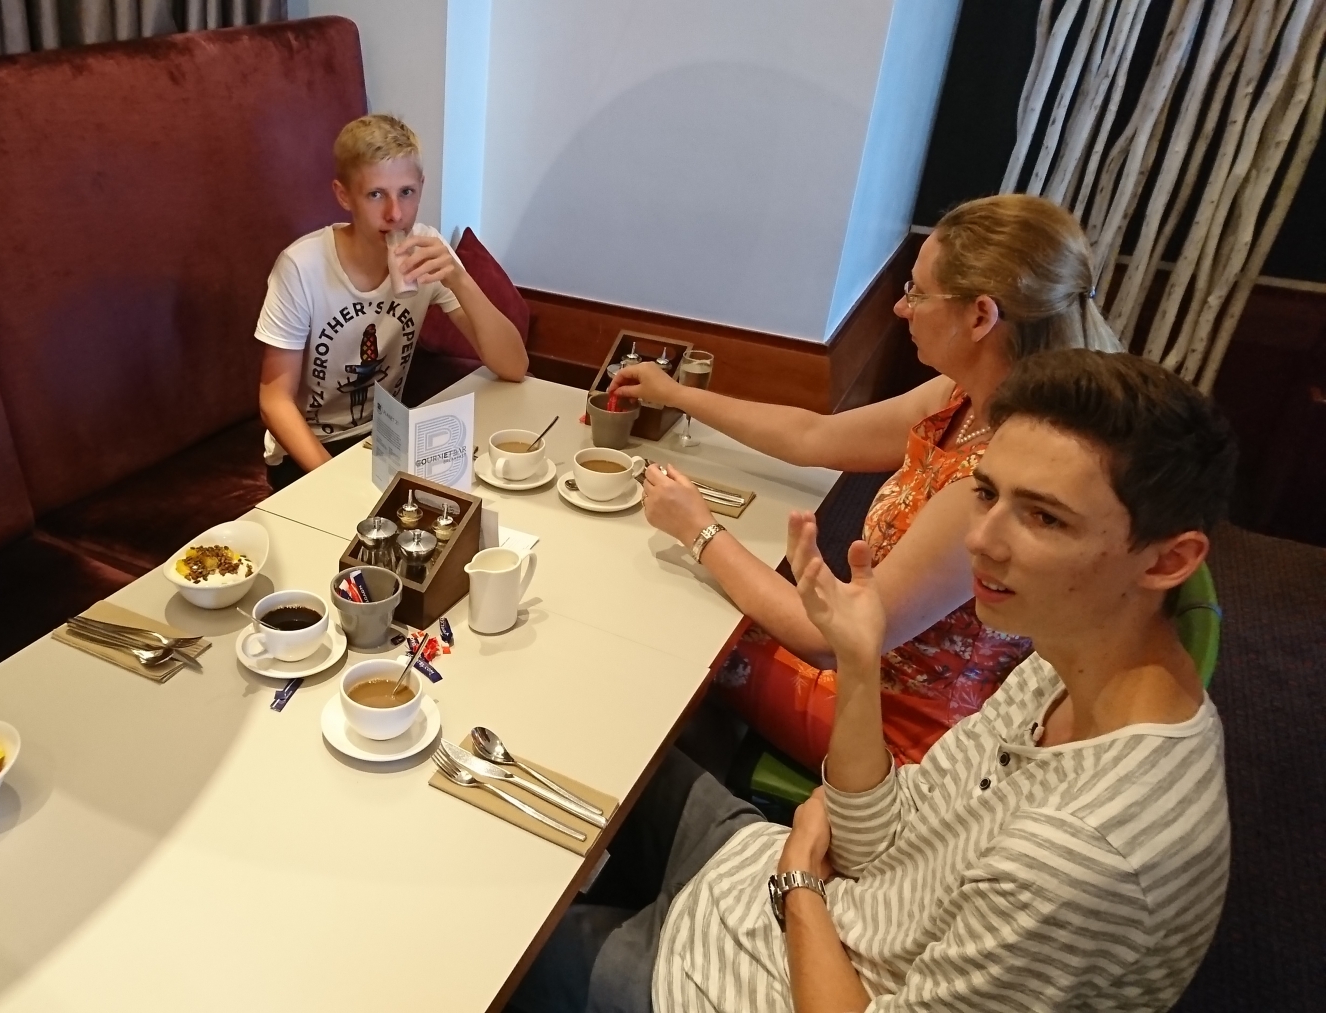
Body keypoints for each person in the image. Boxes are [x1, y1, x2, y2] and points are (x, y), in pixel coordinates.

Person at [512, 349, 1235, 1013]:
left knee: (492, 951)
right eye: (987, 494)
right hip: (771, 888)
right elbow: (877, 837)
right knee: (598, 729)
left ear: (1167, 561)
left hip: (728, 977)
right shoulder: (1061, 659)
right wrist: (858, 663)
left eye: (1044, 517)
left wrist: (800, 884)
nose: (980, 539)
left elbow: (840, 863)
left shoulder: (1084, 857)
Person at [610, 194, 1123, 769]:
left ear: (981, 316)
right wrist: (676, 394)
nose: (902, 308)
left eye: (918, 293)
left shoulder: (996, 486)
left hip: (892, 722)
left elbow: (830, 641)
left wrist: (699, 531)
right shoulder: (966, 397)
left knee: (679, 628)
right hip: (863, 653)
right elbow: (813, 437)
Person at [255, 114, 528, 491]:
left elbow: (514, 366)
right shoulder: (303, 267)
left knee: (486, 493)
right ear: (344, 195)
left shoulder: (426, 250)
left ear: (421, 187)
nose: (395, 214)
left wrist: (459, 279)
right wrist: (336, 480)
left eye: (406, 192)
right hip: (308, 451)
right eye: (375, 195)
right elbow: (274, 401)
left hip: (386, 438)